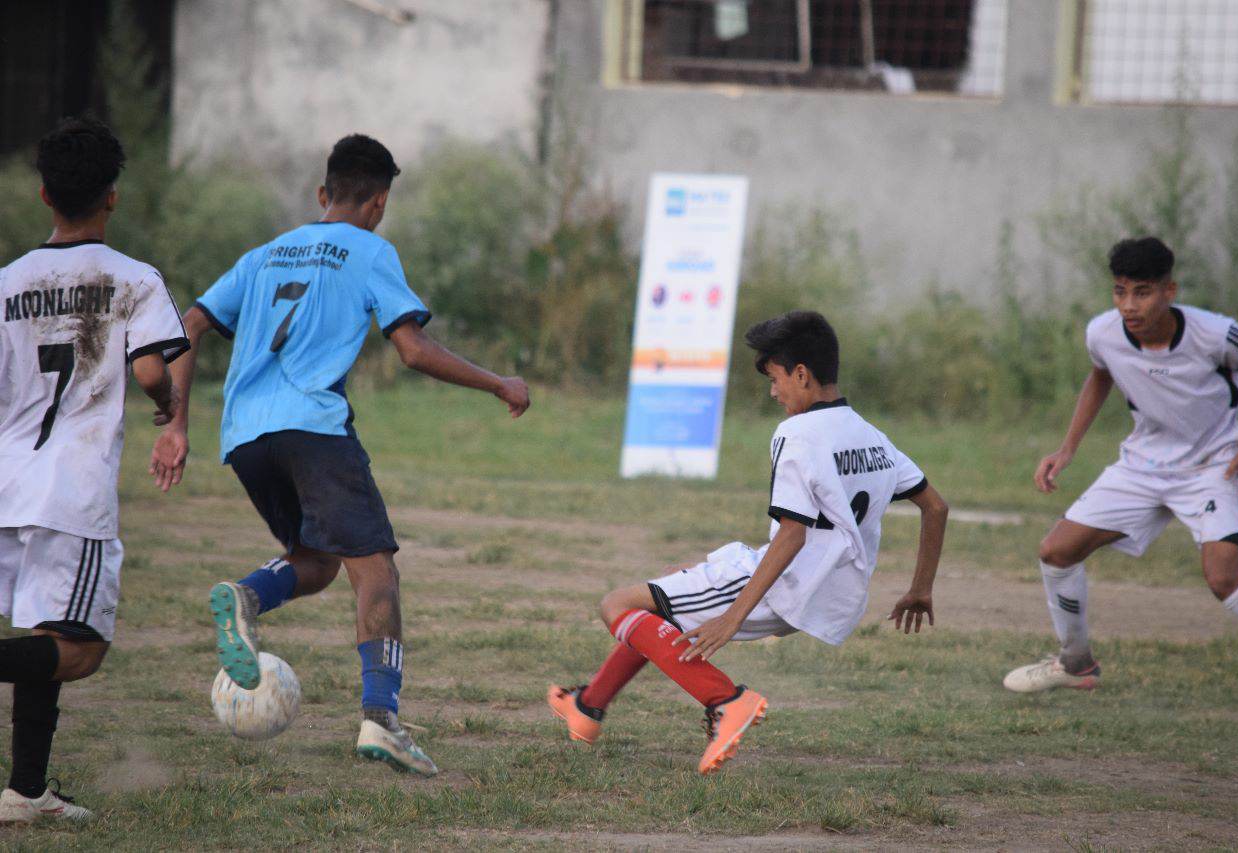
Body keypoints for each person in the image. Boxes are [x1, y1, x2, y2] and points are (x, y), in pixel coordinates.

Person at [150, 134, 530, 776]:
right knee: (376, 571)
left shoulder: (264, 254)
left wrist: (177, 424)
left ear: (322, 193)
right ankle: (382, 720)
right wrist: (499, 383)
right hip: (313, 428)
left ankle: (247, 595)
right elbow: (412, 348)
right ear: (379, 202)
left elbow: (187, 324)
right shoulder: (371, 250)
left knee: (318, 561)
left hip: (245, 436)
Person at [547, 311, 949, 773]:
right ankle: (588, 707)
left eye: (775, 379)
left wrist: (732, 617)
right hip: (827, 594)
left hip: (783, 584)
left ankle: (726, 700)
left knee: (617, 605)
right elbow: (936, 507)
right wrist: (921, 588)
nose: (773, 392)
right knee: (661, 598)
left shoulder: (797, 434)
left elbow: (793, 535)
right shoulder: (872, 437)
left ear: (802, 374)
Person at [1003, 237, 1238, 722]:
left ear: (1169, 290)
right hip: (1142, 466)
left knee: (1224, 579)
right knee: (1057, 551)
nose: (1129, 305)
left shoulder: (1216, 334)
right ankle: (1075, 664)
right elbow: (1101, 374)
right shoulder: (1103, 333)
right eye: (1120, 291)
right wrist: (1067, 448)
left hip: (1212, 467)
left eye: (1143, 292)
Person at [0, 118, 188, 821]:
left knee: (48, 630)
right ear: (112, 195)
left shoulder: (8, 282)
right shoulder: (133, 279)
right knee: (81, 649)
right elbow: (150, 370)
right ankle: (26, 789)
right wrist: (168, 405)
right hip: (69, 489)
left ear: (44, 194)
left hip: (7, 481)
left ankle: (26, 791)